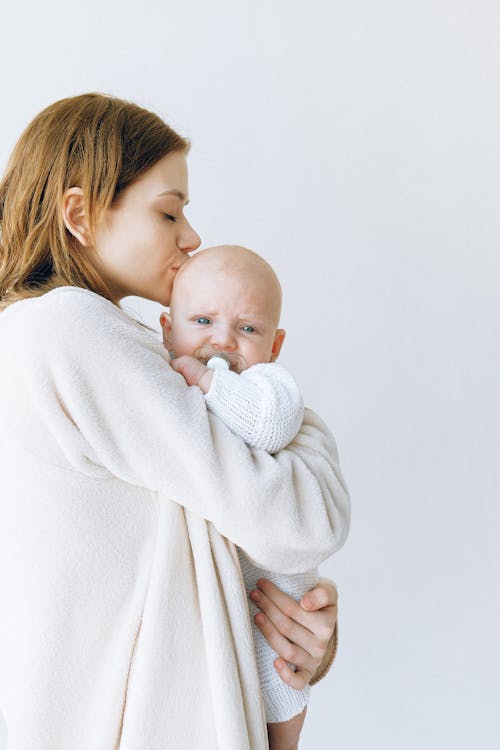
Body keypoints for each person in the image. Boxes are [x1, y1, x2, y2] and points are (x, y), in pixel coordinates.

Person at [0, 93, 350, 750]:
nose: (191, 237)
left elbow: (221, 530)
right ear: (78, 213)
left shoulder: (52, 341)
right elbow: (305, 523)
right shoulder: (70, 332)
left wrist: (295, 634)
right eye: (168, 211)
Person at [160, 243, 344, 750]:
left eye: (248, 329)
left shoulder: (268, 388)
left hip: (272, 593)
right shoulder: (153, 379)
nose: (222, 341)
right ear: (165, 328)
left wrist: (208, 382)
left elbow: (268, 425)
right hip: (212, 628)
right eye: (202, 320)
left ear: (275, 346)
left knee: (280, 686)